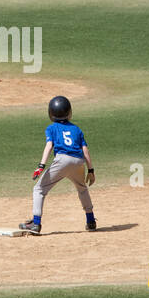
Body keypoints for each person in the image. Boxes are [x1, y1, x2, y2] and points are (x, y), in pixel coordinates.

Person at [19, 95, 96, 235]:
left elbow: (49, 146)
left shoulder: (51, 128)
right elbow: (85, 150)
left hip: (62, 160)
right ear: (69, 112)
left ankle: (35, 224)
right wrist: (91, 170)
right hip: (78, 161)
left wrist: (41, 165)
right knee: (82, 189)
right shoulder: (76, 129)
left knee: (39, 189)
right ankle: (91, 221)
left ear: (51, 113)